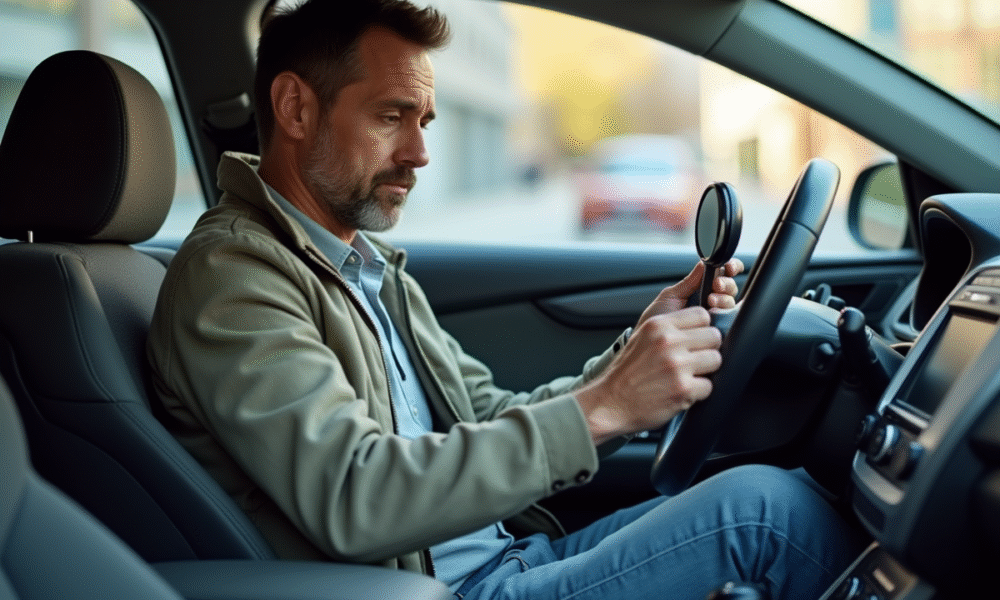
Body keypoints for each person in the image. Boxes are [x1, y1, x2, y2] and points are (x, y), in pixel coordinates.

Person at [147, 1, 861, 599]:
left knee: (768, 490)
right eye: (393, 115)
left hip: (508, 557)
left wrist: (632, 358)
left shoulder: (365, 267)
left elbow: (486, 418)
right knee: (766, 516)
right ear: (296, 107)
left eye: (424, 120)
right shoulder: (235, 276)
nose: (420, 153)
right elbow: (354, 497)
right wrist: (607, 404)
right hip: (441, 592)